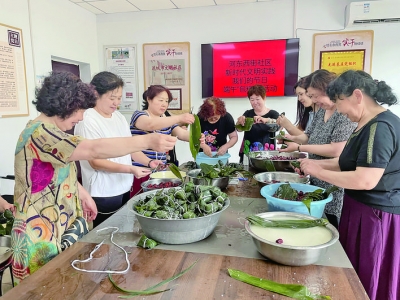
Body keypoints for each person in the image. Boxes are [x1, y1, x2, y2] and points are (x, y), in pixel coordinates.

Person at [12, 71, 176, 283]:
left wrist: (82, 193)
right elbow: (93, 150)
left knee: (66, 282)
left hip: (59, 222)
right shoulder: (40, 133)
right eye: (79, 111)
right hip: (39, 232)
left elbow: (60, 169)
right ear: (64, 106)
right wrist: (147, 141)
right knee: (43, 287)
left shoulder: (54, 132)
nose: (81, 117)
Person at [300, 70, 399, 300]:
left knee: (368, 277)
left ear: (357, 95)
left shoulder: (380, 127)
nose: (340, 110)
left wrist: (318, 170)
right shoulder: (365, 123)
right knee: (353, 273)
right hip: (358, 210)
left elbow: (365, 179)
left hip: (376, 216)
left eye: (339, 102)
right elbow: (347, 162)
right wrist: (316, 166)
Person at [279, 69, 357, 228]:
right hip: (315, 175)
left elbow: (336, 150)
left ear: (327, 90)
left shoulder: (343, 114)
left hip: (333, 182)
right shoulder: (322, 110)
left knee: (331, 223)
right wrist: (291, 139)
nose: (313, 100)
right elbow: (308, 135)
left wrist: (300, 146)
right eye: (311, 96)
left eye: (315, 96)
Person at [74, 71, 151, 227]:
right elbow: (96, 162)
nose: (116, 103)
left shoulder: (118, 117)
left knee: (122, 231)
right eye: (112, 98)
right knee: (105, 237)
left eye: (119, 98)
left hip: (123, 186)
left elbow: (130, 146)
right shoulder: (88, 120)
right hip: (103, 192)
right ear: (96, 93)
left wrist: (150, 162)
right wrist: (130, 169)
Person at [129, 85, 206, 196]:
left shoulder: (165, 120)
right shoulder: (139, 115)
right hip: (140, 171)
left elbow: (181, 133)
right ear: (149, 99)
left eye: (166, 101)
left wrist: (196, 136)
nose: (164, 104)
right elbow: (150, 124)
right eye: (160, 100)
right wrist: (179, 118)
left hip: (160, 172)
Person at [236, 85, 280, 162]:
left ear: (264, 98)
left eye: (257, 99)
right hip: (248, 151)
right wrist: (239, 122)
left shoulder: (273, 114)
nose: (255, 102)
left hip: (267, 153)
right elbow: (239, 129)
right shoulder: (248, 113)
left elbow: (278, 126)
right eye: (252, 99)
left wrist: (266, 120)